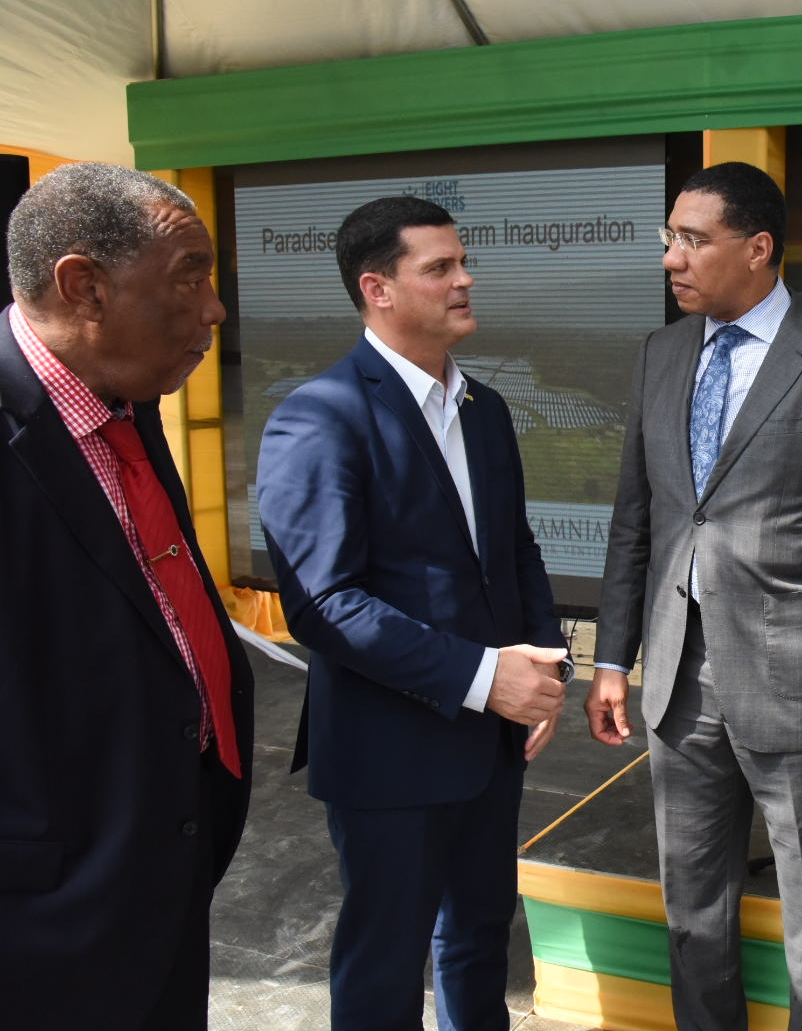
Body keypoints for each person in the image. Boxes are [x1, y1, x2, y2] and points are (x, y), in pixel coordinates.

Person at [586, 161, 802, 1030]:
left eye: (693, 240)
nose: (672, 259)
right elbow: (637, 521)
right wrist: (613, 655)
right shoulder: (661, 354)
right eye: (669, 240)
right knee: (692, 911)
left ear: (759, 248)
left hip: (800, 695)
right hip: (677, 686)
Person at [256, 195, 571, 1031]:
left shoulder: (487, 410)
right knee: (385, 962)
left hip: (490, 744)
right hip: (387, 750)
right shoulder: (320, 414)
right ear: (377, 288)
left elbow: (515, 552)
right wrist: (483, 678)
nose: (465, 280)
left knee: (479, 944)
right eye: (440, 268)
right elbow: (321, 604)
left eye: (463, 262)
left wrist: (542, 662)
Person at [0, 162, 254, 1029]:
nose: (214, 309)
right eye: (190, 275)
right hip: (45, 927)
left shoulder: (129, 394)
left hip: (164, 870)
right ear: (85, 288)